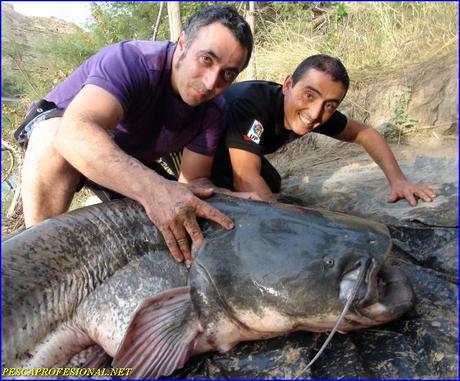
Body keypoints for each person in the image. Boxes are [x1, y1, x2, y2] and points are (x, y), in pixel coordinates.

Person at [16, 5, 254, 267]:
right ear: (183, 43)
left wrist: (227, 199)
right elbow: (72, 135)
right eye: (207, 59)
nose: (211, 83)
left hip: (127, 156)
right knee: (53, 136)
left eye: (228, 73)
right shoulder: (132, 60)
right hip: (64, 140)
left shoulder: (214, 109)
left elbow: (194, 180)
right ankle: (40, 263)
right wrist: (155, 191)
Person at [205, 54, 438, 204]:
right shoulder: (253, 105)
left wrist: (398, 181)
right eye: (309, 95)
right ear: (288, 85)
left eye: (329, 105)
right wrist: (291, 223)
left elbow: (366, 134)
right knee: (242, 196)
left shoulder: (318, 110)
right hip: (195, 150)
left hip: (233, 150)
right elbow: (244, 177)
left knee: (273, 184)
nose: (315, 113)